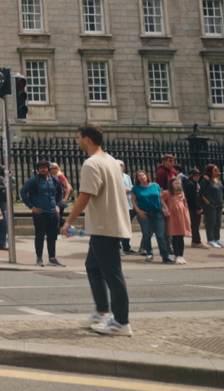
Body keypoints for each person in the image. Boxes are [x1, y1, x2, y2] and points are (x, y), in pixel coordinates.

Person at [61, 124, 132, 336]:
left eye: (78, 137)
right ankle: (102, 312)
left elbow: (85, 195)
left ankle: (121, 322)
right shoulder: (110, 160)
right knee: (92, 266)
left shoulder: (91, 164)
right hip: (109, 223)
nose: (77, 141)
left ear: (87, 139)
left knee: (113, 275)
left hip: (104, 226)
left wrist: (68, 222)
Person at [21, 159, 64, 267]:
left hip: (53, 213)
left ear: (48, 169)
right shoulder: (34, 180)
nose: (42, 169)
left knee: (52, 236)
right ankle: (39, 258)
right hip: (40, 213)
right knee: (40, 236)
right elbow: (23, 191)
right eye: (40, 168)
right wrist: (31, 206)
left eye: (44, 167)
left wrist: (58, 205)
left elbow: (60, 192)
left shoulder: (54, 180)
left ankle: (52, 258)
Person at [130, 169, 172, 263]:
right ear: (137, 178)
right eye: (139, 176)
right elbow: (133, 200)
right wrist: (138, 211)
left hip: (157, 212)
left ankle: (165, 256)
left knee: (160, 235)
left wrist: (165, 208)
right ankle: (149, 253)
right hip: (144, 213)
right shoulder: (136, 188)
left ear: (146, 176)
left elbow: (160, 198)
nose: (142, 177)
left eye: (143, 175)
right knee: (147, 234)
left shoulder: (155, 185)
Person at [165, 177, 191, 264]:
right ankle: (177, 256)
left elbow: (185, 204)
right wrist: (165, 209)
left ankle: (181, 255)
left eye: (179, 183)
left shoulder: (181, 193)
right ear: (171, 184)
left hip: (181, 216)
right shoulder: (166, 193)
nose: (178, 185)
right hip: (173, 216)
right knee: (175, 236)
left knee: (181, 236)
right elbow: (161, 200)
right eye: (176, 183)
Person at [200, 164, 224, 248]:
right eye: (215, 170)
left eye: (217, 169)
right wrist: (207, 201)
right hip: (210, 204)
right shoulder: (206, 180)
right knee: (211, 222)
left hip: (219, 203)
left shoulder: (218, 180)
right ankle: (210, 239)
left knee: (218, 222)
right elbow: (201, 192)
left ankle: (217, 239)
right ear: (210, 171)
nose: (217, 171)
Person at [185, 167, 206, 248]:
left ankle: (195, 240)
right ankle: (196, 241)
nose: (198, 176)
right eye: (196, 175)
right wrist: (198, 208)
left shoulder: (195, 183)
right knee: (195, 224)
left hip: (196, 206)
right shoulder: (190, 183)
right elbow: (192, 198)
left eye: (199, 175)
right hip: (193, 208)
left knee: (196, 224)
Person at [119, 160, 137, 254]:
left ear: (123, 166)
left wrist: (127, 190)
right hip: (119, 205)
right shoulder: (113, 176)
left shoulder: (127, 176)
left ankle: (126, 247)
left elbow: (131, 189)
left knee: (127, 228)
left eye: (120, 165)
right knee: (119, 227)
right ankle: (119, 247)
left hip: (129, 205)